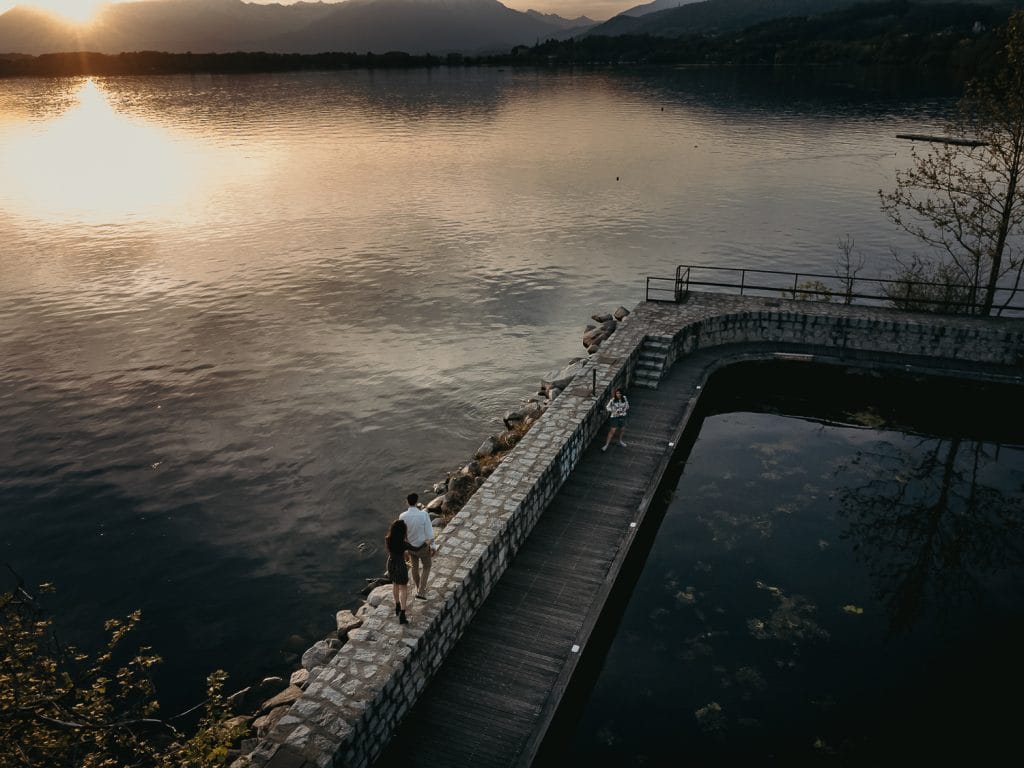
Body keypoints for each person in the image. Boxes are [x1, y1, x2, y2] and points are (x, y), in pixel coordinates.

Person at [400, 492, 435, 599]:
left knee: (415, 567)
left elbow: (402, 534)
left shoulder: (402, 516)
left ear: (407, 502)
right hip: (423, 547)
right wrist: (433, 546)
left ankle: (417, 587)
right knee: (427, 566)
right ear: (417, 502)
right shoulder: (424, 515)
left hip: (411, 548)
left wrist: (404, 549)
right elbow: (429, 532)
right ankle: (421, 591)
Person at [385, 518, 414, 625]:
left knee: (395, 584)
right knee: (404, 588)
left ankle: (397, 605)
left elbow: (392, 552)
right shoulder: (404, 544)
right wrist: (427, 543)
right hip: (400, 567)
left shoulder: (388, 539)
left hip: (391, 564)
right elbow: (416, 549)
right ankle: (402, 614)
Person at [602, 387, 630, 452]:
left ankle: (620, 440)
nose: (619, 394)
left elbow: (627, 406)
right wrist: (613, 411)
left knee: (623, 429)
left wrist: (625, 408)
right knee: (613, 430)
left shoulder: (624, 398)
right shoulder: (613, 400)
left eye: (620, 393)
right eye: (617, 393)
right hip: (615, 416)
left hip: (622, 415)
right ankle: (606, 444)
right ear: (615, 394)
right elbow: (607, 407)